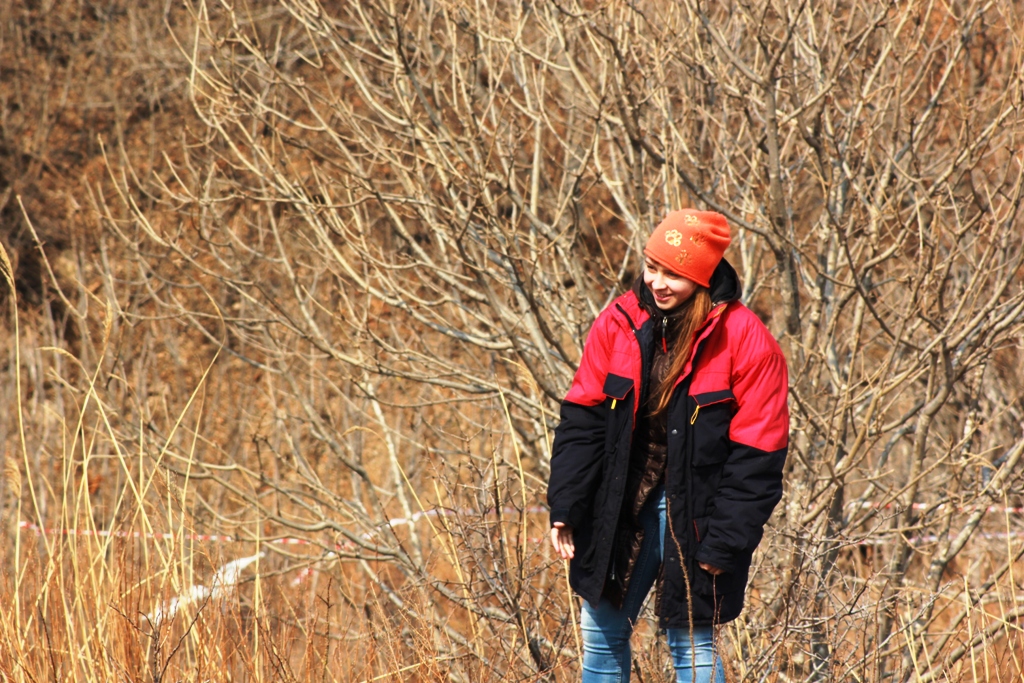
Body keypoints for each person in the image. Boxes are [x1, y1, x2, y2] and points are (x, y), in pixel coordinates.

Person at [547, 209, 789, 683]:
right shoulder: (617, 321)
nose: (657, 283)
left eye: (673, 274)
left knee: (691, 643)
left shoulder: (748, 341)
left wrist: (724, 542)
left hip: (699, 514)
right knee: (600, 634)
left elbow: (758, 459)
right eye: (651, 267)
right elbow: (582, 421)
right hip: (620, 505)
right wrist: (566, 505)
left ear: (702, 277)